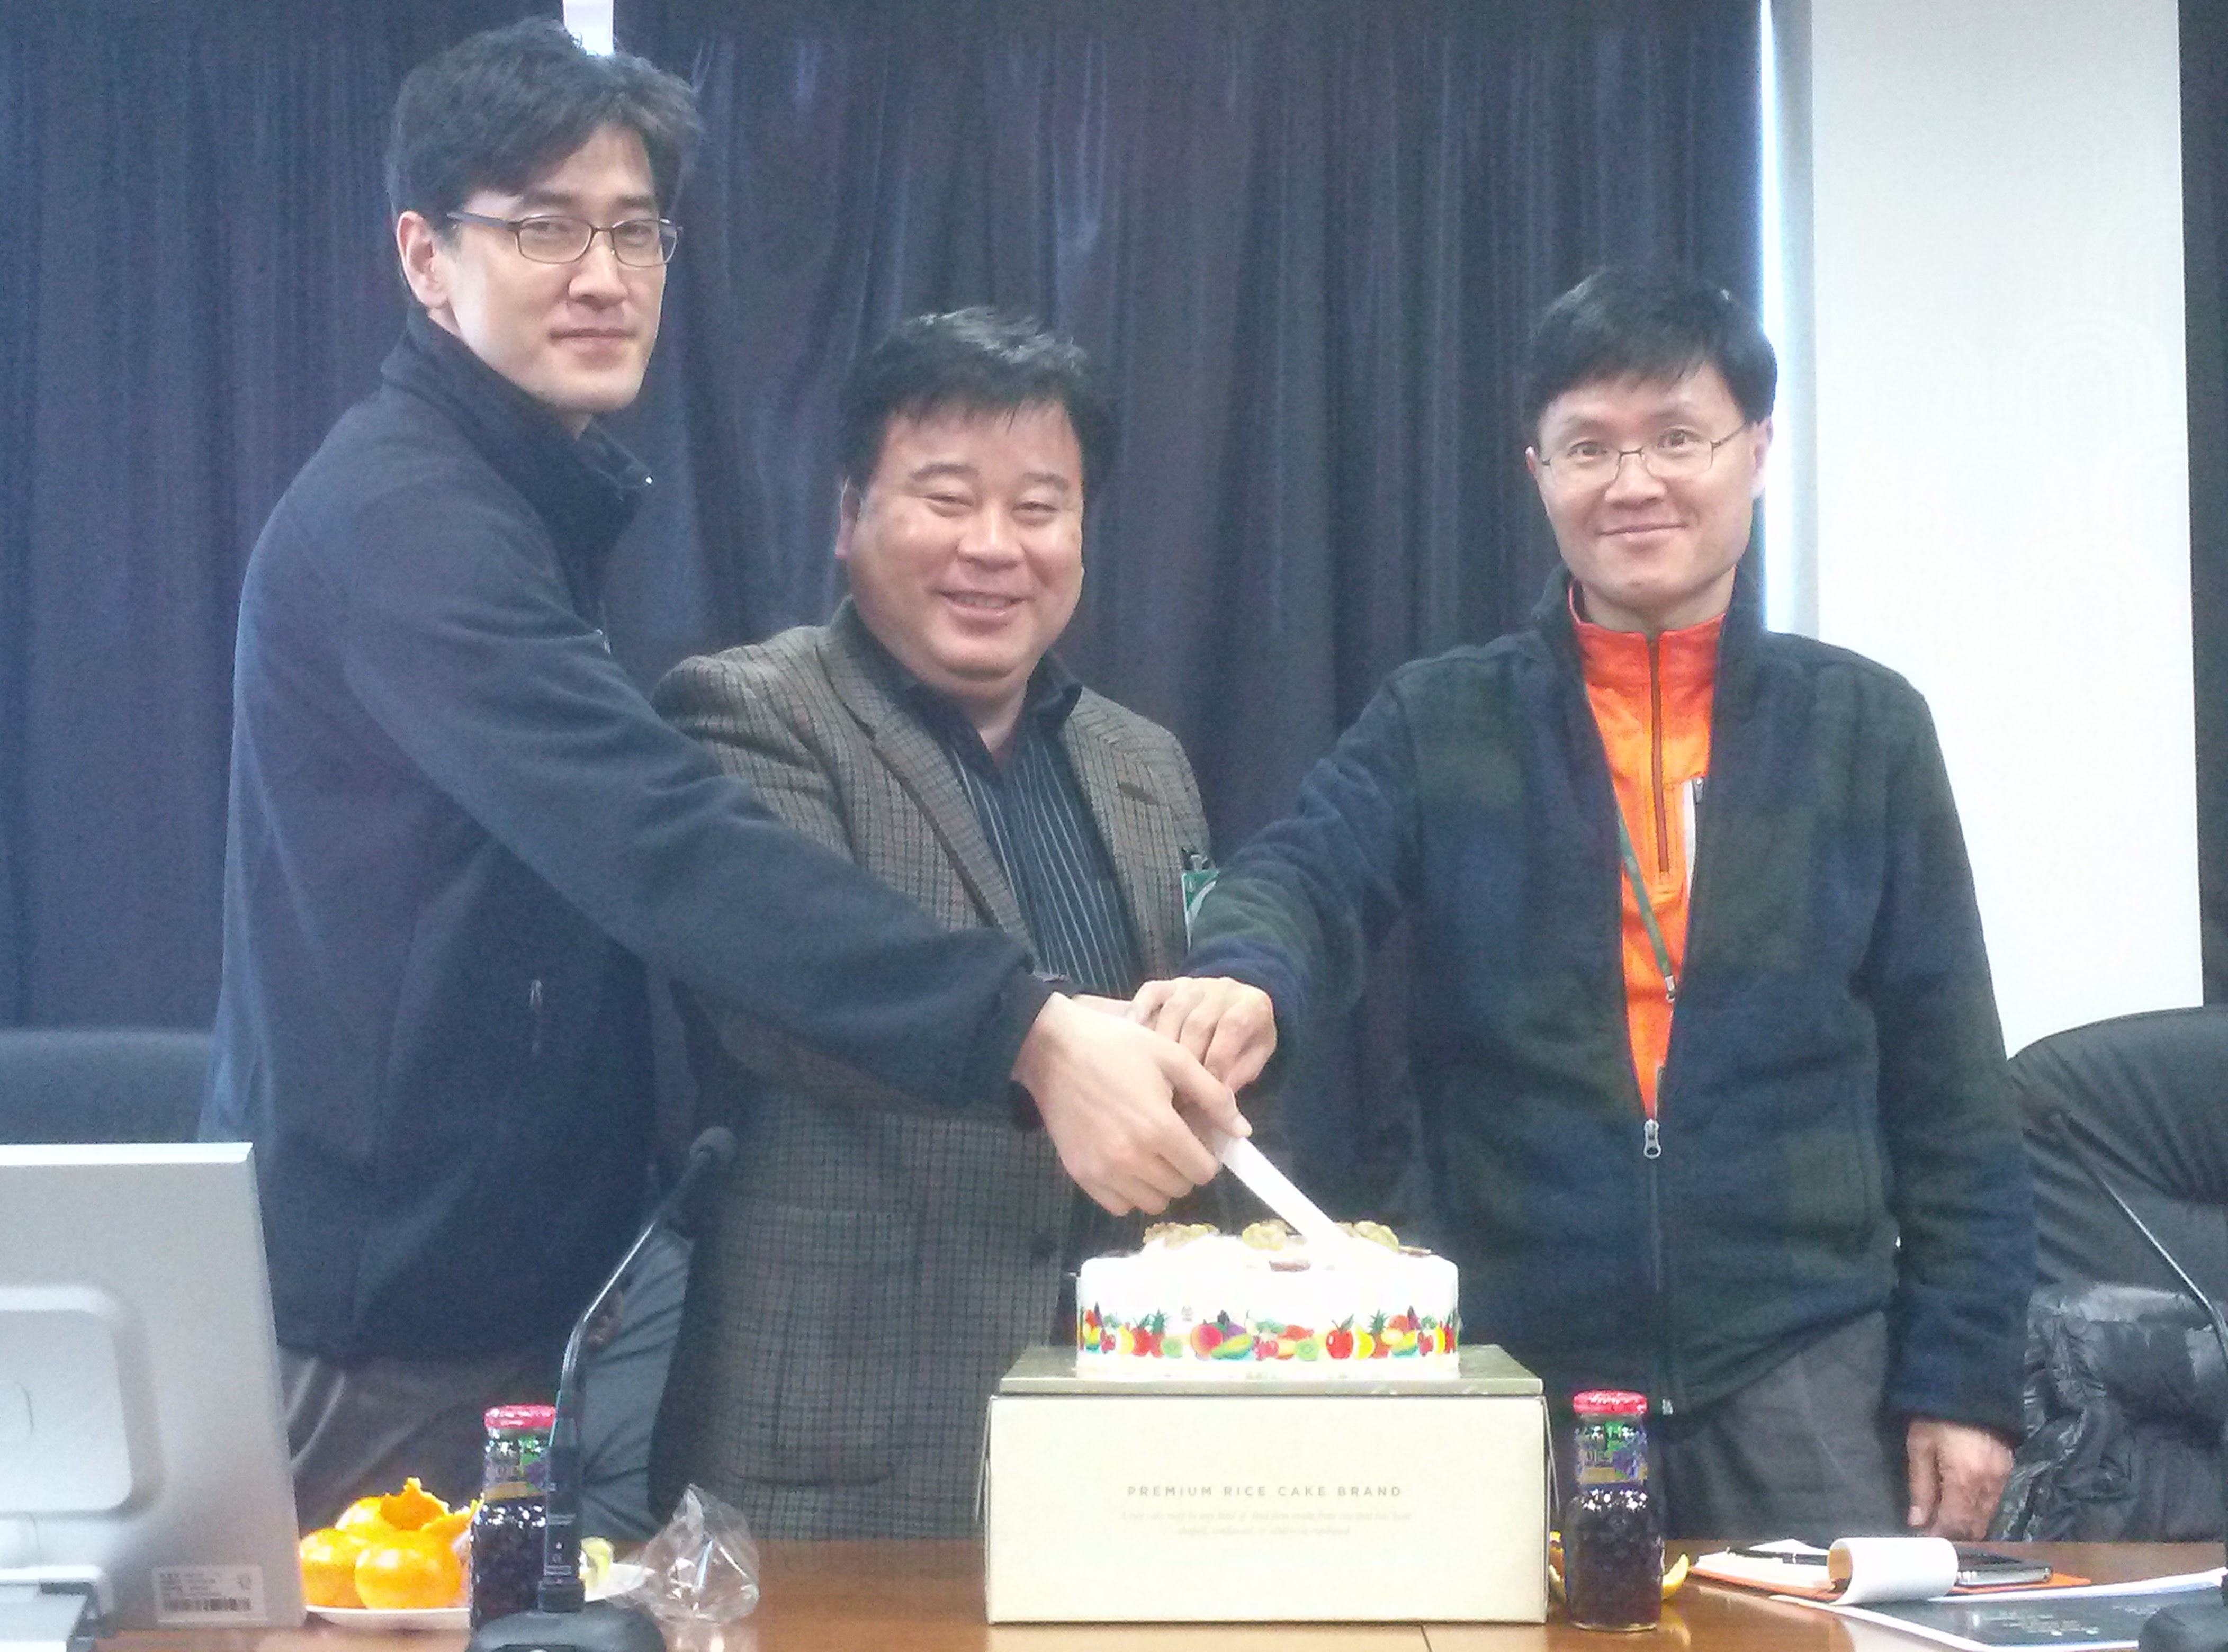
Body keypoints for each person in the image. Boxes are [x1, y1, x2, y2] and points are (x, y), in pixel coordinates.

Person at [202, 23, 1241, 1531]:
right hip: (396, 1313)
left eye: (635, 230)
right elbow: (665, 842)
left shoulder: (513, 496)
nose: (603, 275)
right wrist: (1027, 1030)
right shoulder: (407, 523)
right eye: (544, 226)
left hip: (511, 1283)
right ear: (426, 257)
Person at [1138, 266, 2034, 1540]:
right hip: (1513, 1351)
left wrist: (1964, 1378)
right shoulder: (1442, 717)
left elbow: (1955, 1084)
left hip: (1798, 1356)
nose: (1633, 482)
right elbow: (1303, 872)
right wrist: (1244, 970)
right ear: (1537, 470)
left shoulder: (1865, 729)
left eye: (1677, 438)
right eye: (1589, 447)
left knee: (1819, 1638)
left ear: (1755, 451)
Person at [644, 308, 1227, 1537]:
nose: (993, 547)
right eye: (946, 498)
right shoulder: (750, 713)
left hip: (1129, 1438)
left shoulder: (1146, 762)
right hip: (836, 1449)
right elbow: (794, 1007)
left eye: (1039, 507)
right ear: (847, 515)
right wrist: (1058, 1055)